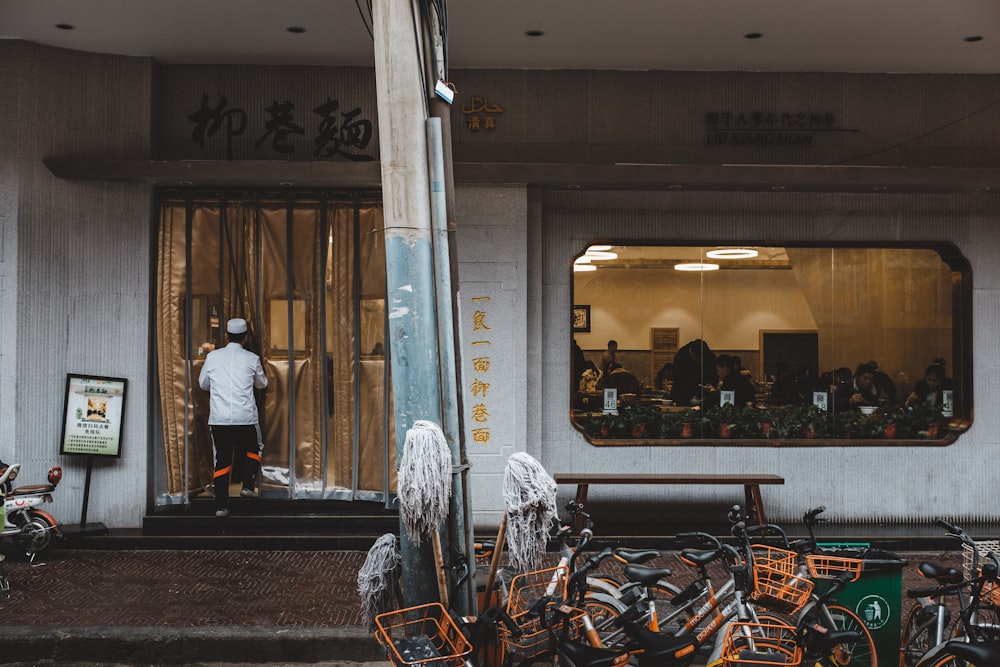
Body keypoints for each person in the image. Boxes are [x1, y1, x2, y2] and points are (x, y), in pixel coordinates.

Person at [199, 318, 268, 517]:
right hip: (245, 416)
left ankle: (221, 506)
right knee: (255, 448)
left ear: (226, 336)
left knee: (222, 459)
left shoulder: (212, 357)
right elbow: (262, 383)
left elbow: (203, 384)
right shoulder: (252, 358)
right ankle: (248, 484)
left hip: (219, 418)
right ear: (245, 338)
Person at [669, 339, 717, 406]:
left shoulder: (709, 356)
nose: (699, 360)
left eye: (700, 358)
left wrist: (709, 387)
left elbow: (713, 376)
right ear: (690, 351)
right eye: (696, 357)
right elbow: (678, 378)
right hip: (682, 392)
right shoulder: (681, 356)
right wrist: (691, 395)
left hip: (703, 394)